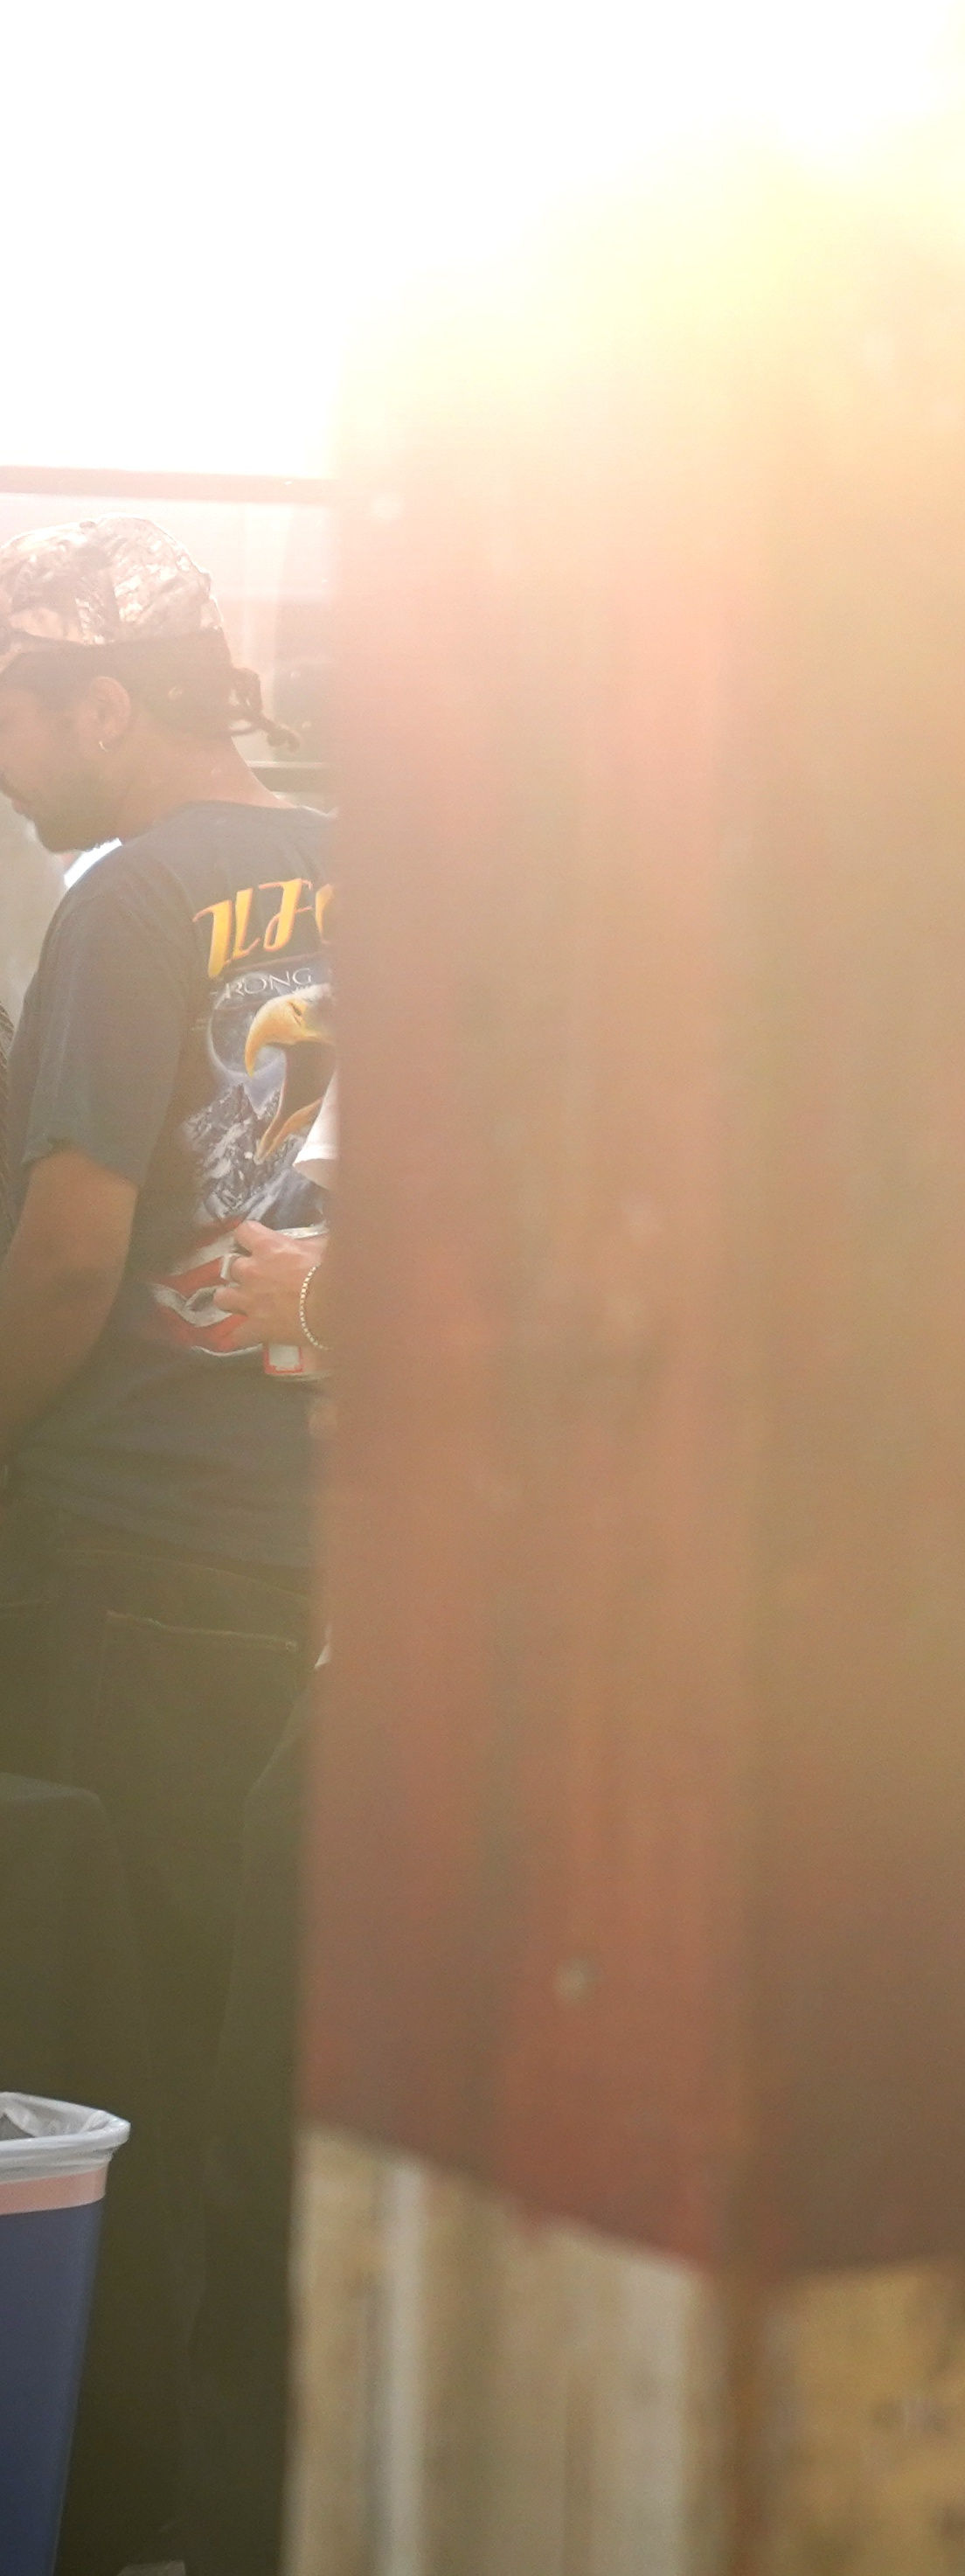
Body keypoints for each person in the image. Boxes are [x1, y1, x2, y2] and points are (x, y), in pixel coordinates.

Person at [0, 519, 331, 2573]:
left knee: (91, 2061)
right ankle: (244, 2486)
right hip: (316, 1562)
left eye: (16, 714)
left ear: (101, 704)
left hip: (122, 1547)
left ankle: (97, 2494)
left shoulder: (129, 894)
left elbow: (66, 1248)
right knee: (256, 2060)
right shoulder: (405, 867)